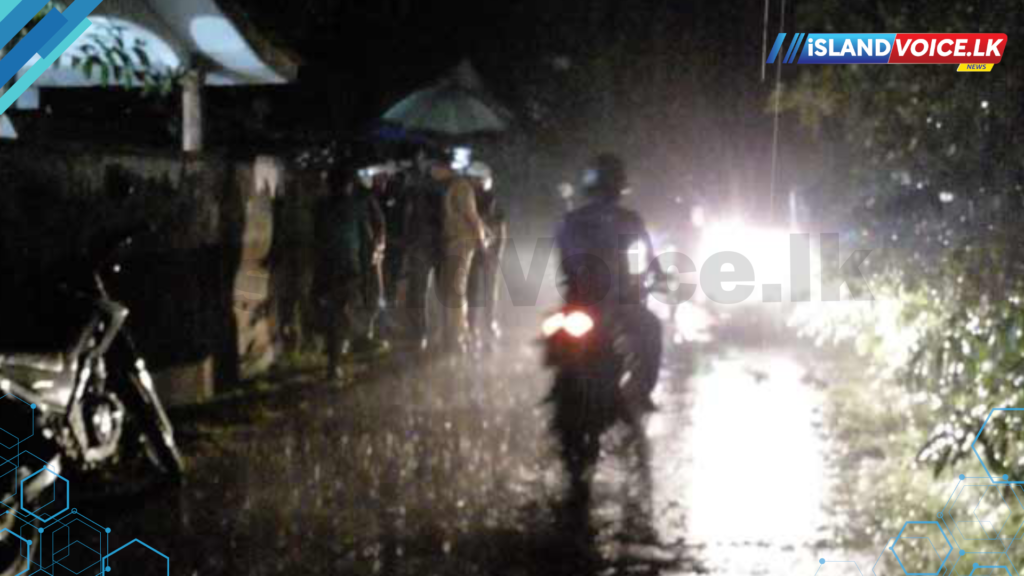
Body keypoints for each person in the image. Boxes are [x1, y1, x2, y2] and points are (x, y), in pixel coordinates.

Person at [555, 153, 664, 410]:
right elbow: (650, 259)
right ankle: (641, 393)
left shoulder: (571, 220)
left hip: (579, 301)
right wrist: (658, 276)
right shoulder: (630, 220)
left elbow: (564, 259)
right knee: (652, 330)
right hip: (619, 303)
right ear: (619, 187)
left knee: (556, 337)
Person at [314, 168, 377, 379]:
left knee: (330, 310)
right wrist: (367, 267)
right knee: (341, 312)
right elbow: (367, 238)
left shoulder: (320, 206)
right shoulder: (356, 206)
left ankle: (332, 354)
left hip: (325, 266)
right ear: (348, 185)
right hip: (348, 267)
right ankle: (335, 361)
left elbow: (316, 235)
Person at [397, 152, 449, 349]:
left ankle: (421, 334)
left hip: (421, 245)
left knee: (419, 292)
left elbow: (407, 218)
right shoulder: (442, 187)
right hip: (437, 244)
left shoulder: (413, 190)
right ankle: (442, 333)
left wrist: (407, 243)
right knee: (441, 291)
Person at [439, 161, 489, 353]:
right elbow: (471, 215)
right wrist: (482, 240)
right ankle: (458, 336)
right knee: (457, 291)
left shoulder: (455, 185)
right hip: (461, 243)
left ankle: (452, 334)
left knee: (452, 290)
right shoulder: (464, 187)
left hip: (453, 242)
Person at [468, 162, 507, 350]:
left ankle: (475, 326)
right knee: (484, 290)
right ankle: (484, 325)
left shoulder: (471, 197)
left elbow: (501, 227)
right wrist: (498, 250)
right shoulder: (488, 198)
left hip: (478, 251)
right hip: (483, 251)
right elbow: (501, 228)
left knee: (476, 290)